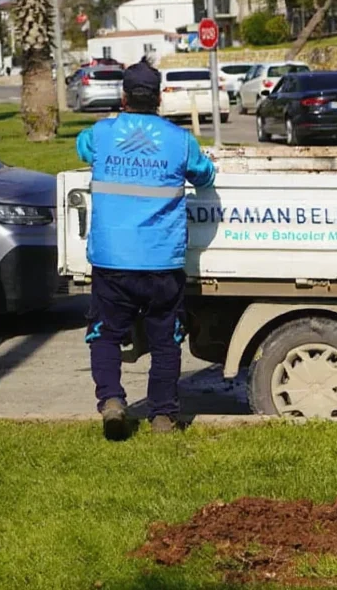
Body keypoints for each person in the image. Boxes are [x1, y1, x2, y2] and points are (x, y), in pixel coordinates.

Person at [76, 58, 217, 439]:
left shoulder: (101, 134)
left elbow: (83, 149)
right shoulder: (178, 140)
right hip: (160, 261)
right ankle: (163, 417)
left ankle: (111, 401)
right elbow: (204, 174)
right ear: (158, 98)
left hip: (112, 259)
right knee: (165, 341)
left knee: (105, 335)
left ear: (123, 96)